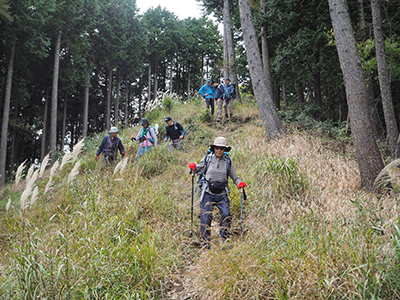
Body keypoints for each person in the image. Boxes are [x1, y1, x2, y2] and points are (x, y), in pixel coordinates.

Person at [188, 137, 247, 249]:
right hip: (207, 193)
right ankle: (206, 244)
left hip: (222, 194)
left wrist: (240, 183)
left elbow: (234, 176)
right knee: (206, 218)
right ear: (214, 148)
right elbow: (197, 169)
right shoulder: (208, 158)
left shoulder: (228, 161)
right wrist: (192, 168)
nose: (219, 150)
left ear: (225, 149)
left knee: (226, 215)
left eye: (221, 148)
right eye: (217, 148)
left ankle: (224, 239)